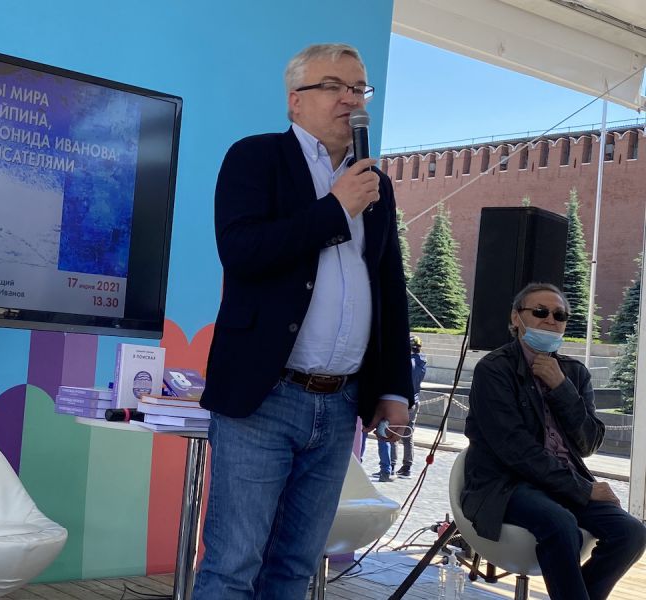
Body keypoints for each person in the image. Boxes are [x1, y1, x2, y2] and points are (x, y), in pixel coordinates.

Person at [193, 43, 415, 600]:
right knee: (233, 565)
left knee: (295, 568)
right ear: (295, 100)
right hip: (265, 398)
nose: (350, 99)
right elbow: (242, 251)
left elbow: (389, 287)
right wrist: (335, 209)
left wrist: (394, 388)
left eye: (359, 88)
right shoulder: (256, 158)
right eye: (334, 86)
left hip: (340, 404)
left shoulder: (375, 184)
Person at [461, 282, 646, 600]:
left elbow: (588, 443)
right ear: (516, 318)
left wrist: (561, 387)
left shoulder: (574, 373)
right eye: (540, 312)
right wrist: (584, 489)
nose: (550, 320)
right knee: (560, 523)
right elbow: (514, 449)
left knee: (631, 533)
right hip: (505, 484)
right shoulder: (494, 369)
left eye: (559, 315)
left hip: (561, 483)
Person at [374, 335, 426, 481]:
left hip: (402, 402)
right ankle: (407, 467)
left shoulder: (408, 362)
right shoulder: (422, 362)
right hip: (415, 400)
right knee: (408, 435)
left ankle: (390, 467)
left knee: (392, 433)